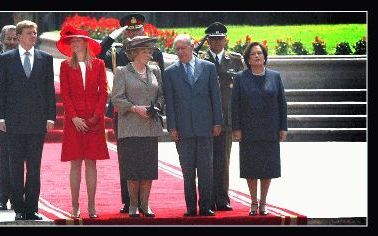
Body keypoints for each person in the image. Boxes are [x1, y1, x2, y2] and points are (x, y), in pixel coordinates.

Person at [98, 13, 164, 214]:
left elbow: (160, 88)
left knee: (146, 163)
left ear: (143, 29)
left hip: (149, 117)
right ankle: (128, 201)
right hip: (124, 114)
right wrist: (111, 37)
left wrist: (157, 107)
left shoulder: (156, 54)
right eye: (130, 30)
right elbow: (98, 54)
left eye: (138, 29)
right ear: (126, 32)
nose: (135, 32)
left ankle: (142, 202)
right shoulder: (118, 52)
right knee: (127, 160)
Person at [0, 20, 56, 220]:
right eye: (30, 33)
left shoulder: (45, 59)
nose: (34, 36)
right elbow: (2, 90)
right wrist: (1, 117)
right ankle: (19, 208)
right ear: (20, 35)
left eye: (35, 32)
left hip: (37, 123)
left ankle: (31, 208)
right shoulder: (5, 59)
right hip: (13, 123)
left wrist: (51, 117)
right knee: (15, 167)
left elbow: (49, 90)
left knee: (34, 167)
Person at [163, 34, 223, 217]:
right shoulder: (170, 72)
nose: (180, 52)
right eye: (177, 49)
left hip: (205, 127)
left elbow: (215, 96)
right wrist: (172, 127)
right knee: (188, 171)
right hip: (183, 130)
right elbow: (170, 103)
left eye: (183, 48)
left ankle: (205, 206)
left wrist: (217, 121)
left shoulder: (208, 68)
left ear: (192, 47)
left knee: (206, 169)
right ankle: (191, 207)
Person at [56, 25, 110, 219]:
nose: (75, 43)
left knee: (91, 163)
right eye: (72, 41)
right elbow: (65, 93)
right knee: (75, 164)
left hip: (94, 120)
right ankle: (75, 205)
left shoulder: (98, 64)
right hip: (74, 121)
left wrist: (96, 116)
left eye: (78, 40)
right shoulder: (64, 66)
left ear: (86, 43)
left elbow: (103, 92)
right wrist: (74, 117)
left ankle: (92, 205)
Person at [231, 42, 288, 216]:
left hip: (270, 131)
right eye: (253, 54)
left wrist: (283, 127)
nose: (257, 56)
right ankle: (253, 202)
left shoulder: (275, 76)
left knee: (267, 168)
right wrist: (236, 128)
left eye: (260, 53)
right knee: (251, 168)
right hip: (248, 131)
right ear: (248, 59)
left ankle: (264, 202)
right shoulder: (240, 77)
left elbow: (282, 104)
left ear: (264, 56)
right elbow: (235, 105)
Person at [111, 36, 164, 217]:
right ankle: (133, 204)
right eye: (144, 51)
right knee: (133, 170)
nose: (149, 54)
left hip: (149, 126)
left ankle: (145, 204)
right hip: (130, 127)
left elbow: (162, 96)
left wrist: (156, 107)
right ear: (134, 53)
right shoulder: (122, 71)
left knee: (148, 169)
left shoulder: (155, 70)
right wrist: (134, 108)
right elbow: (116, 98)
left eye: (150, 51)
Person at [198, 22, 245, 212]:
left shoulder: (235, 60)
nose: (217, 42)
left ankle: (222, 199)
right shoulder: (199, 59)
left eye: (220, 39)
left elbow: (241, 92)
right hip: (205, 119)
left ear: (226, 39)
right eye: (213, 39)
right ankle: (207, 201)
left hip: (226, 118)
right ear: (207, 41)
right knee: (206, 162)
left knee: (223, 161)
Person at [0, 24, 18, 211]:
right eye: (9, 39)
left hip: (21, 120)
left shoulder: (25, 60)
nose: (12, 43)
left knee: (18, 160)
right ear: (1, 42)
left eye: (15, 39)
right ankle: (2, 196)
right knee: (3, 160)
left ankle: (16, 197)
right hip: (1, 119)